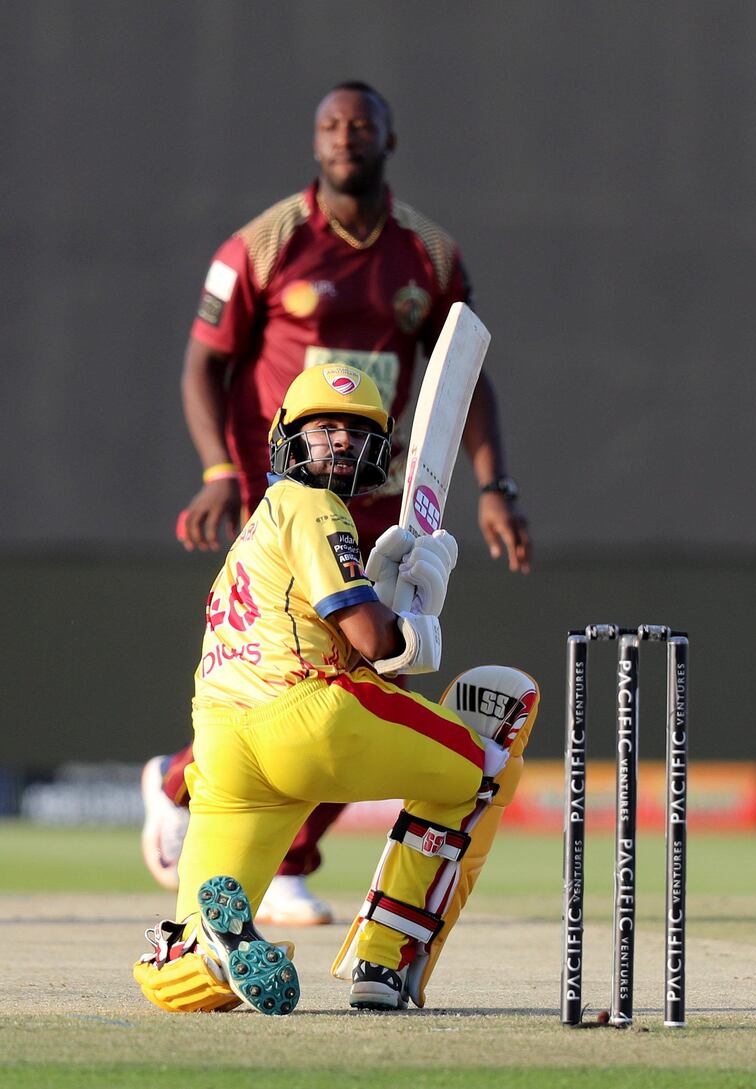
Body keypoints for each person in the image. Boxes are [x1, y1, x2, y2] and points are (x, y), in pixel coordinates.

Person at [141, 79, 530, 925]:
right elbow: (202, 365)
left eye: (361, 125)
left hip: (382, 498)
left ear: (389, 139)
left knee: (348, 672)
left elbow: (463, 373)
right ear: (314, 142)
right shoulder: (266, 242)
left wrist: (494, 485)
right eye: (329, 125)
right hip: (281, 493)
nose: (344, 137)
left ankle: (256, 837)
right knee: (312, 663)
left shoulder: (428, 255)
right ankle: (206, 798)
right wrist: (217, 472)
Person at [133, 366, 538, 1016]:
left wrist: (383, 605)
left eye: (356, 430)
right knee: (487, 764)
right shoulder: (313, 505)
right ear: (290, 440)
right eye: (325, 428)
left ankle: (207, 949)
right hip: (307, 716)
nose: (341, 441)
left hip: (223, 752)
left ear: (377, 447)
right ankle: (385, 957)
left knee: (194, 972)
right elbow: (376, 645)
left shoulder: (253, 533)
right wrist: (417, 615)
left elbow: (325, 631)